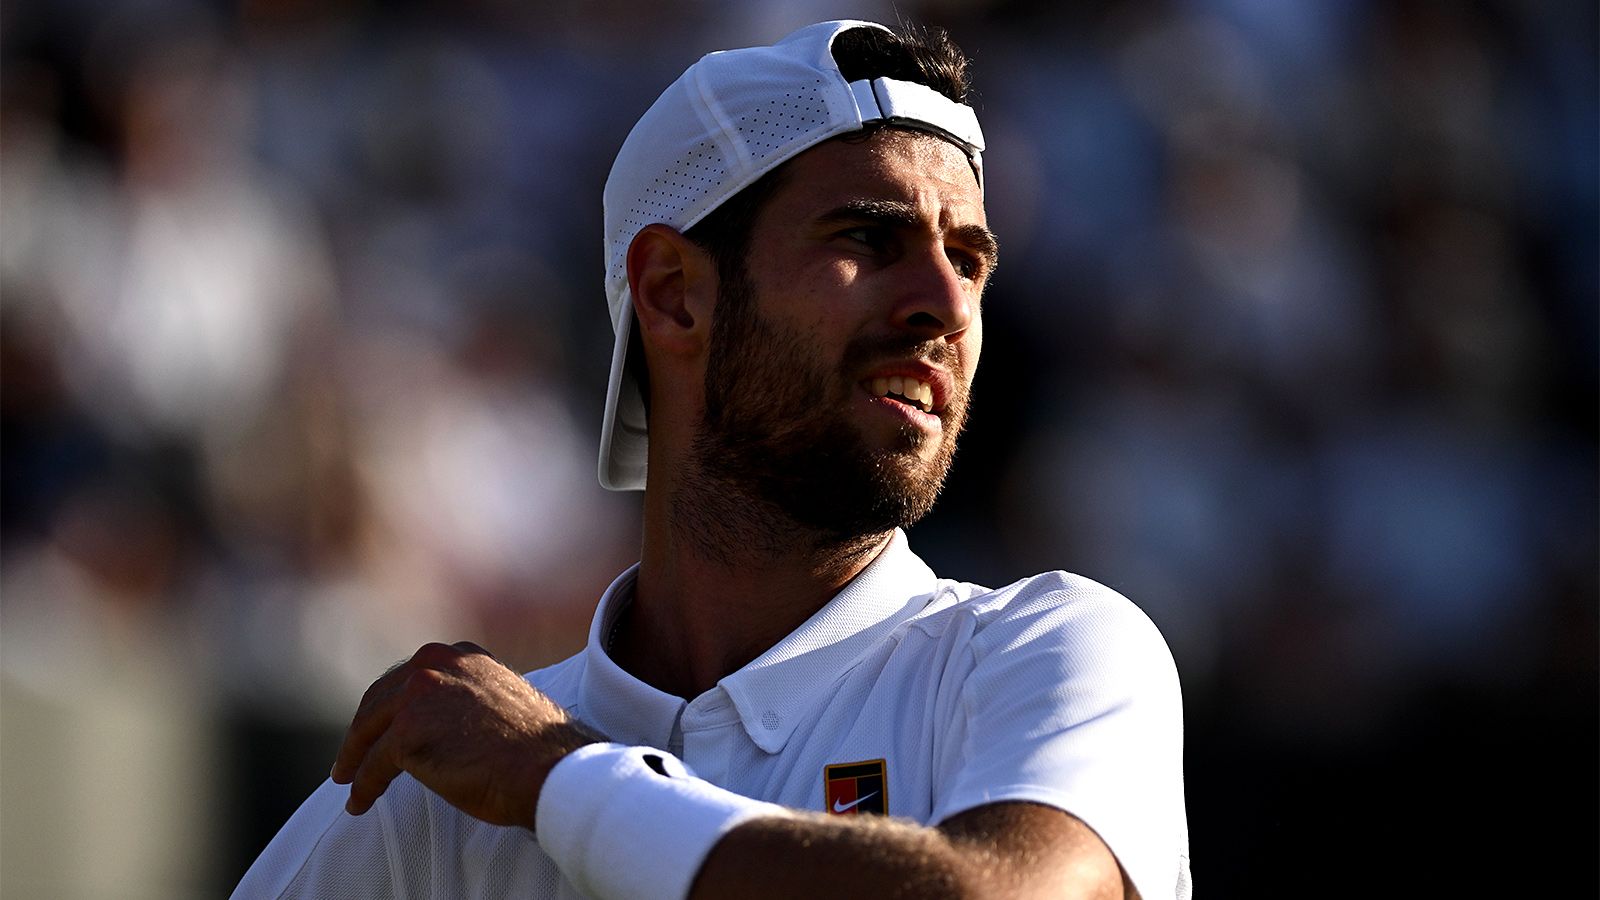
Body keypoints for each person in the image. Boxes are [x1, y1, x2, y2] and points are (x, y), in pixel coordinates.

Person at [234, 19, 1190, 899]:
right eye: (869, 236)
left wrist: (557, 777)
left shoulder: (1052, 651)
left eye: (970, 262)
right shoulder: (444, 787)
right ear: (672, 293)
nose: (945, 304)